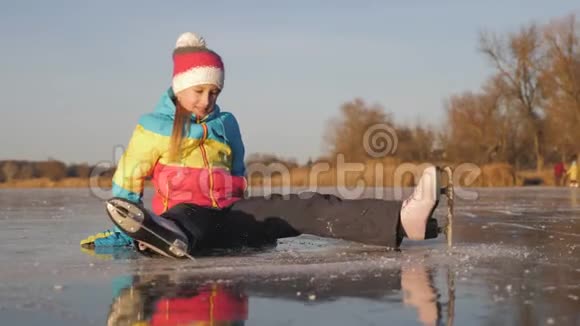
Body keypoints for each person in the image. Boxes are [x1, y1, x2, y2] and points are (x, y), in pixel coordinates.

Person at [81, 32, 443, 256]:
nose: (206, 100)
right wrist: (128, 224)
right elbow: (128, 178)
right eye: (199, 91)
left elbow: (237, 170)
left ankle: (403, 220)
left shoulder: (227, 123)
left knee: (306, 206)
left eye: (214, 92)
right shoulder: (154, 127)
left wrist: (249, 211)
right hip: (184, 222)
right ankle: (163, 236)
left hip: (232, 215)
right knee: (187, 214)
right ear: (179, 89)